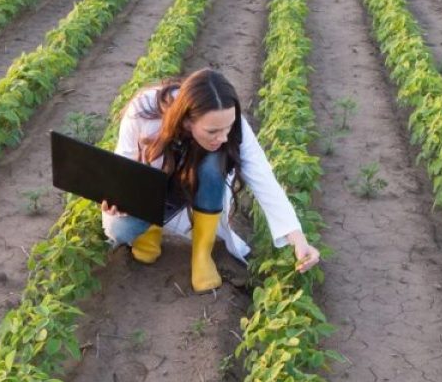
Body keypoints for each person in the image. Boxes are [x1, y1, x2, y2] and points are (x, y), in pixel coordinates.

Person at [99, 68, 320, 292]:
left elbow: (263, 177)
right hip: (151, 189)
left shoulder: (228, 123)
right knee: (121, 229)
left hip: (195, 186)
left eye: (228, 128)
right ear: (186, 120)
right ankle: (150, 230)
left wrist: (297, 238)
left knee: (215, 164)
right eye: (212, 131)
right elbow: (124, 168)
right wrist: (117, 199)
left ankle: (202, 255)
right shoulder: (143, 111)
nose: (223, 137)